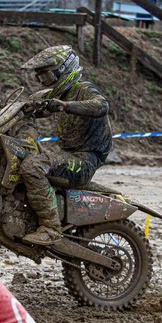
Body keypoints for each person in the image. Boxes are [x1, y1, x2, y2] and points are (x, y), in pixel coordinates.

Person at [18, 45, 112, 246]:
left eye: (47, 76)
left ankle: (51, 228)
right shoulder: (53, 95)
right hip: (69, 156)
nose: (44, 81)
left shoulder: (83, 90)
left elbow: (102, 105)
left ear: (63, 70)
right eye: (41, 78)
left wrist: (65, 106)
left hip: (84, 162)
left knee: (33, 166)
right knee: (21, 154)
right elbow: (28, 106)